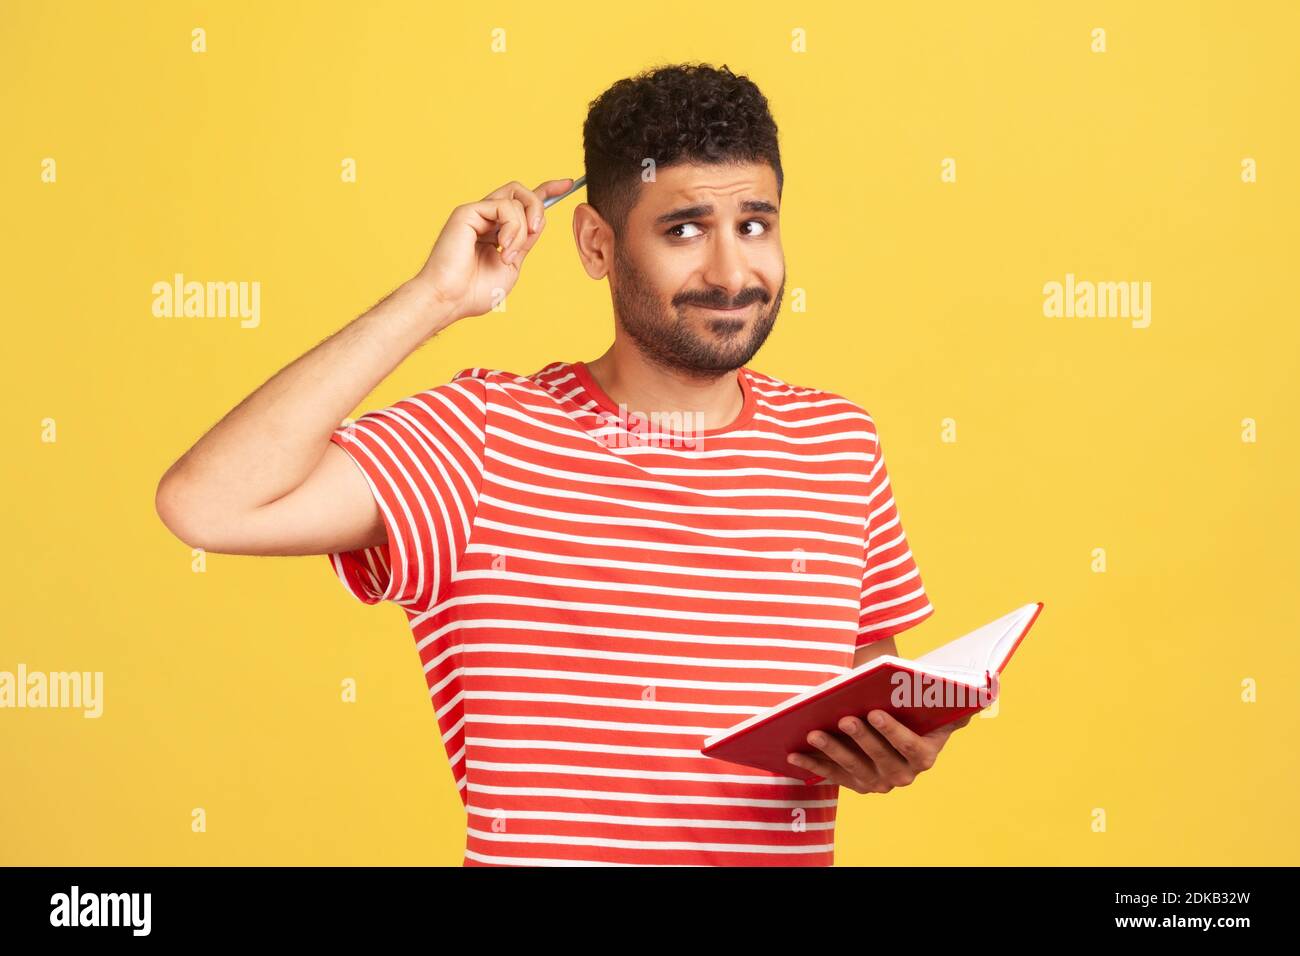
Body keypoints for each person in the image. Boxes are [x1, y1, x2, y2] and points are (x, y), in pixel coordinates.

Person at [155, 62, 966, 866]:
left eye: (754, 225)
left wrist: (895, 741)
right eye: (684, 229)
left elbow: (865, 667)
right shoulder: (483, 439)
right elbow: (208, 505)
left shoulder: (838, 444)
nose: (731, 273)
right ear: (596, 245)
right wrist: (434, 299)